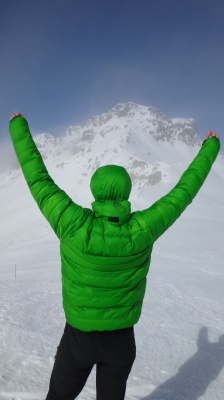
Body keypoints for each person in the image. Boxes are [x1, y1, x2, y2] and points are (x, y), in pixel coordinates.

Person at [9, 113, 220, 400]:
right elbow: (183, 192)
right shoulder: (143, 228)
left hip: (78, 339)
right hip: (122, 341)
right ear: (127, 191)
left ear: (95, 190)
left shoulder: (73, 224)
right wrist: (209, 148)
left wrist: (18, 126)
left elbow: (38, 180)